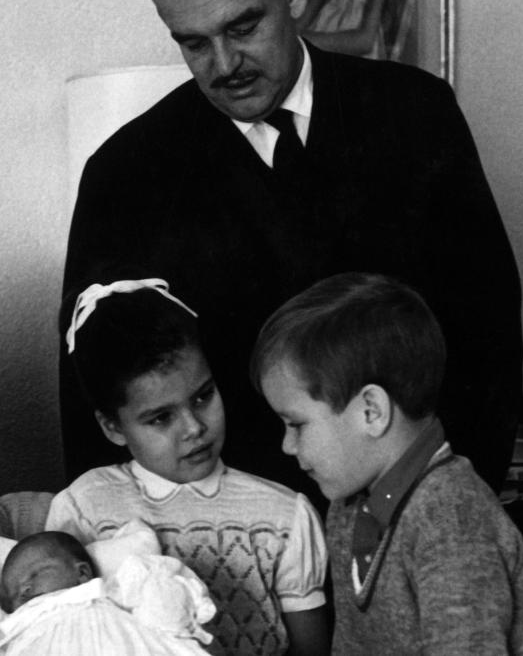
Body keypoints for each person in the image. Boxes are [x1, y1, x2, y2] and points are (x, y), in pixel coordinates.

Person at [60, 0, 522, 501]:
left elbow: (488, 339)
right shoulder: (123, 174)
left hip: (416, 514)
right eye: (194, 44)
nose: (225, 65)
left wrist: (452, 501)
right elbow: (96, 404)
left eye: (243, 27)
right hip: (227, 552)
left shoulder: (416, 115)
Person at [250, 272, 523, 653]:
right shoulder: (348, 506)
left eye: (297, 425)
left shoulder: (451, 519)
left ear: (371, 411)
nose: (287, 446)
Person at [47, 279, 329, 656]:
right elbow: (57, 633)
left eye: (203, 396)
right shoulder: (85, 507)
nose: (195, 427)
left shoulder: (283, 516)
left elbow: (312, 651)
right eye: (161, 418)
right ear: (113, 426)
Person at [0, 530, 216, 656]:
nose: (24, 589)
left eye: (35, 573)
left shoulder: (108, 591)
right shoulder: (20, 620)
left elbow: (154, 590)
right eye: (14, 592)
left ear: (82, 573)